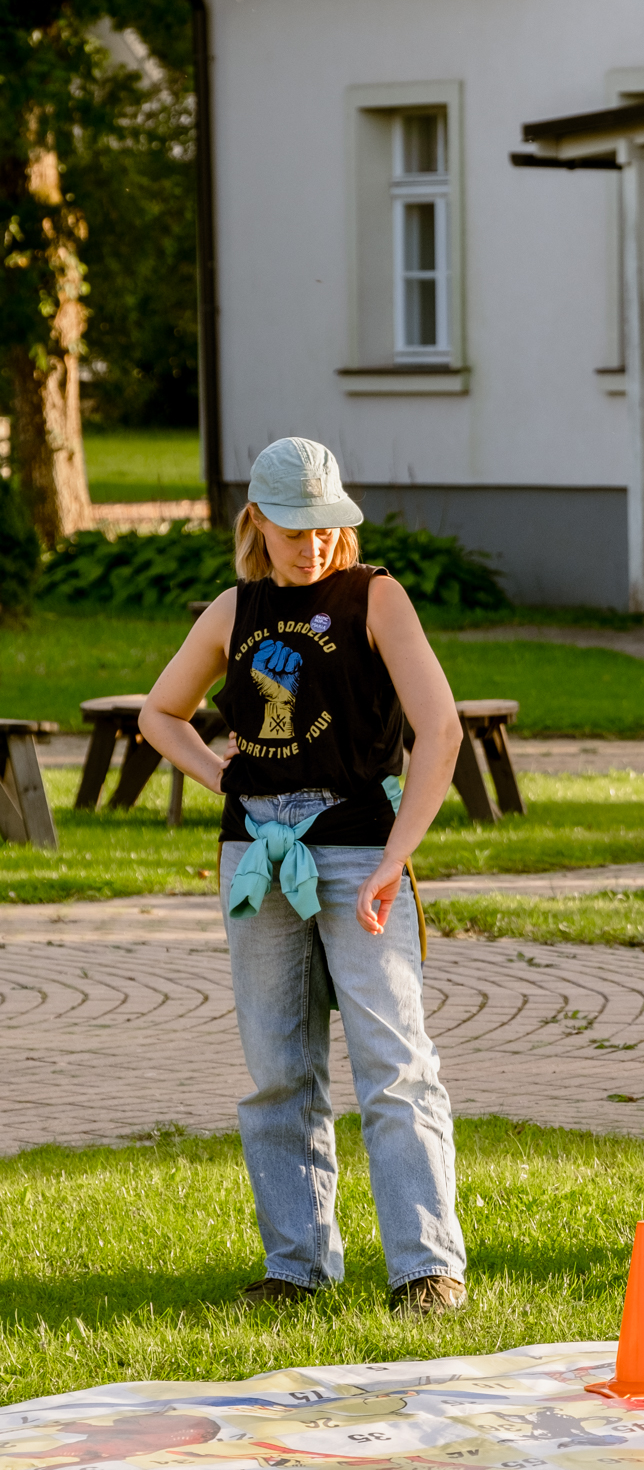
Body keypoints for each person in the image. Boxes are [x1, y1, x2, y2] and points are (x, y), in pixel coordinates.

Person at [140, 437, 469, 1315]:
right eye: (293, 530)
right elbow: (160, 714)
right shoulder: (234, 610)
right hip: (256, 857)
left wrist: (396, 856)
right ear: (256, 521)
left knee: (394, 1063)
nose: (313, 545)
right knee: (278, 1073)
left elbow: (440, 731)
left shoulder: (375, 597)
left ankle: (426, 1269)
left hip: (359, 848)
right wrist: (220, 776)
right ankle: (297, 1266)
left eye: (326, 527)